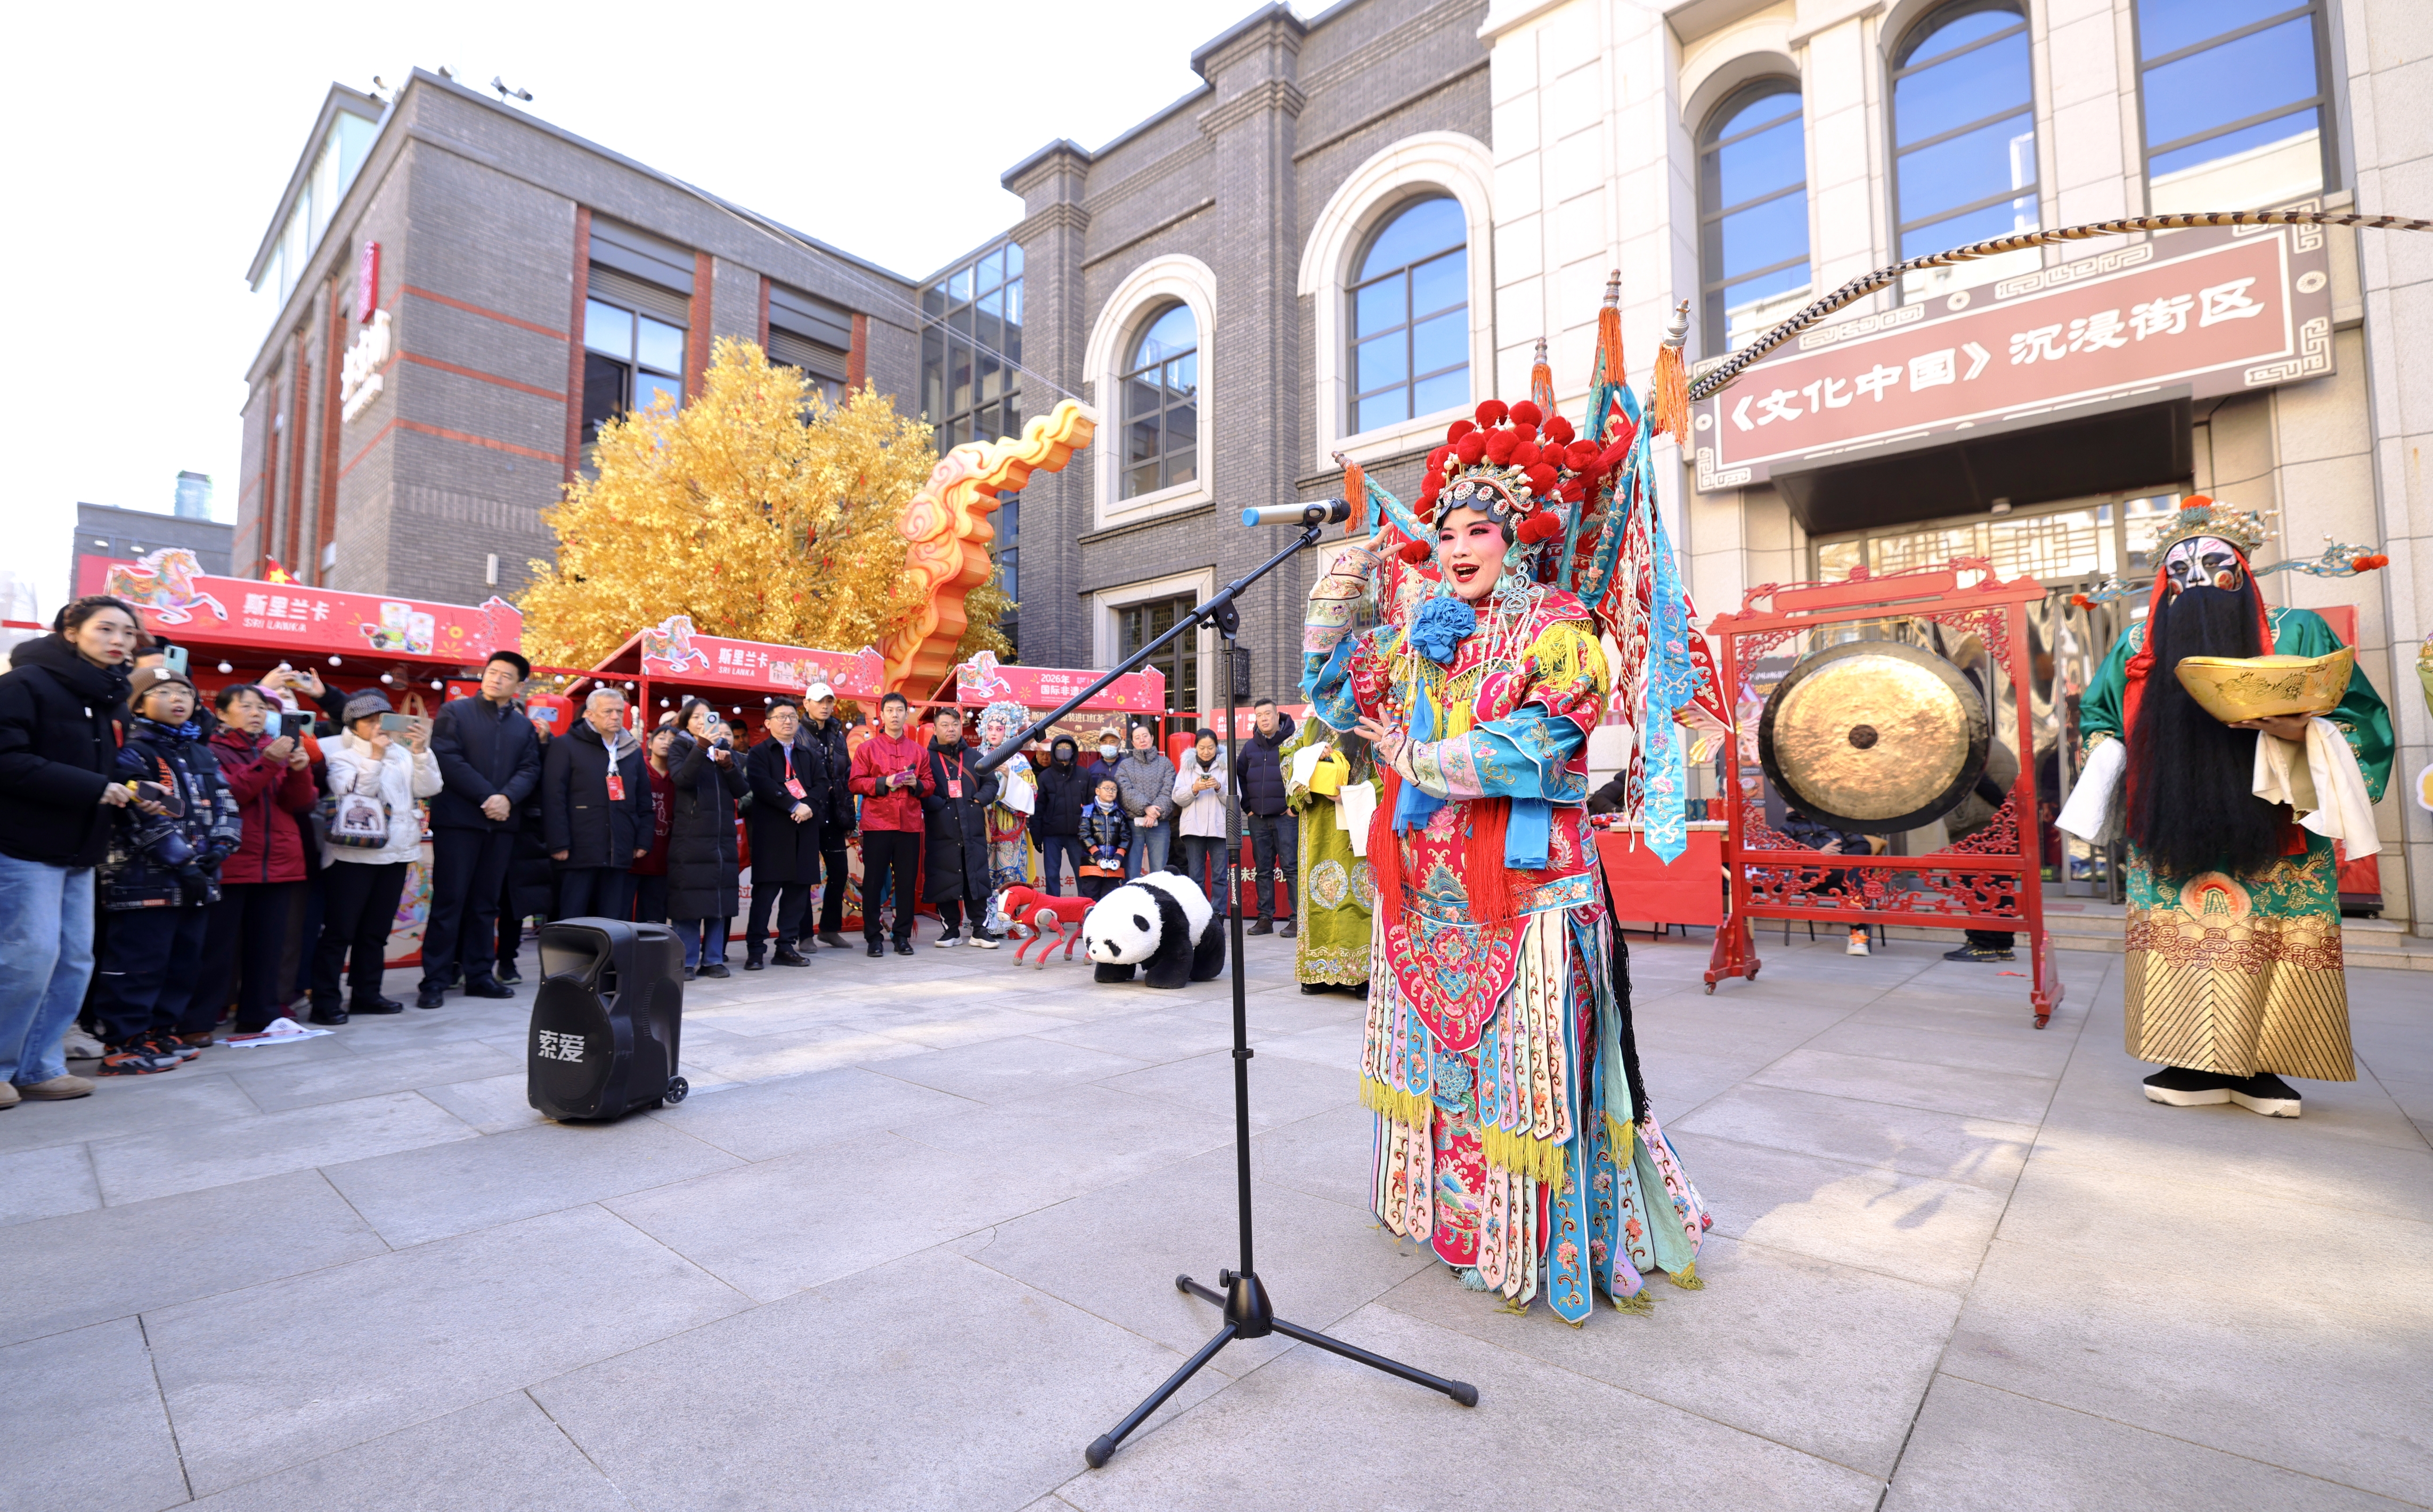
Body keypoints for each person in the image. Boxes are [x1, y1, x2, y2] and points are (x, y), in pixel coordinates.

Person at [1304, 390, 1710, 1317]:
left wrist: (1430, 759)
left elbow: (1547, 738)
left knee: (1530, 1073)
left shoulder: (1560, 626)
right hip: (1424, 890)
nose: (1456, 546)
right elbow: (1336, 700)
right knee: (1446, 1075)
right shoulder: (1423, 634)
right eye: (1445, 530)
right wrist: (1341, 588)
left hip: (1527, 890)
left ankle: (1537, 1241)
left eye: (1478, 529)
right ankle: (1454, 1220)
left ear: (1515, 538)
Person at [2077, 500, 2392, 1117]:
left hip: (2278, 815)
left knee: (2273, 937)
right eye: (2182, 571)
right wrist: (2106, 755)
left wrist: (2308, 732)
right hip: (2171, 817)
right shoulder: (2138, 644)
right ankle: (2188, 1058)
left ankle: (2262, 1065)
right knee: (2183, 938)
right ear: (2165, 581)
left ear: (2243, 572)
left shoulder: (2296, 629)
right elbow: (2100, 716)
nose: (2200, 582)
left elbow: (2358, 717)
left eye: (2216, 568)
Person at [1, 597, 140, 1105]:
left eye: (128, 632)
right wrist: (92, 787)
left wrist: (132, 789)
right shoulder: (25, 683)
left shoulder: (107, 697)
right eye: (106, 628)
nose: (119, 640)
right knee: (27, 957)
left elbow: (103, 770)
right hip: (23, 846)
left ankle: (39, 1065)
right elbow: (7, 759)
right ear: (70, 630)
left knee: (74, 961)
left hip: (80, 849)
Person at [89, 666, 241, 1074]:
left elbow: (227, 804)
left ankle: (160, 1031)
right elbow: (139, 816)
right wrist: (184, 860)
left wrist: (222, 846)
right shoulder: (132, 752)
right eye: (164, 691)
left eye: (185, 692)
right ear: (138, 703)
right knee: (139, 961)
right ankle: (123, 1041)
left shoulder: (201, 751)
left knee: (183, 961)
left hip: (197, 881)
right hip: (143, 881)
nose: (178, 699)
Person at [419, 651, 541, 1008]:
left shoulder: (524, 726)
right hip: (459, 821)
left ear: (519, 685)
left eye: (506, 675)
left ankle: (480, 974)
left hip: (502, 826)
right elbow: (447, 757)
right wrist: (489, 795)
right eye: (492, 672)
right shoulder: (455, 712)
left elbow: (530, 769)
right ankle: (436, 979)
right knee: (449, 900)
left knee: (486, 904)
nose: (496, 678)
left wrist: (507, 798)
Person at [313, 691, 442, 1021]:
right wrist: (374, 755)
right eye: (368, 721)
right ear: (353, 726)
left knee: (375, 932)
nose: (377, 726)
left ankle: (367, 995)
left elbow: (430, 788)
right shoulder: (338, 753)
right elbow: (355, 795)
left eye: (381, 720)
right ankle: (325, 1002)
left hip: (398, 853)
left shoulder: (403, 752)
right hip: (352, 856)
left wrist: (422, 752)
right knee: (339, 932)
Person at [201, 683, 321, 1031]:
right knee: (218, 946)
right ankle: (205, 1013)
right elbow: (233, 792)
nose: (257, 713)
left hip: (279, 860)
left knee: (270, 945)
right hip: (233, 859)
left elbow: (300, 804)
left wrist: (299, 768)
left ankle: (261, 1011)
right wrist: (269, 762)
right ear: (222, 713)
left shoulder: (276, 748)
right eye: (247, 706)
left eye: (262, 708)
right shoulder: (210, 750)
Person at [543, 688, 654, 925]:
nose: (615, 717)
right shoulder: (566, 745)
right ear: (590, 715)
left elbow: (644, 798)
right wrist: (559, 842)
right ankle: (569, 963)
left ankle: (607, 963)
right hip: (577, 848)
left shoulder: (631, 750)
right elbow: (554, 797)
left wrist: (643, 839)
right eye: (608, 712)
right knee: (573, 917)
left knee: (612, 920)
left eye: (619, 711)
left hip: (619, 848)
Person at [1280, 719, 1374, 994]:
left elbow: (1387, 772)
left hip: (1359, 820)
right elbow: (1286, 754)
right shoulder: (1311, 725)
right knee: (1319, 893)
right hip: (1318, 821)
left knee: (1359, 895)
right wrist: (1310, 755)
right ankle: (1317, 970)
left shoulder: (1368, 721)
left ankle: (1361, 973)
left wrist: (1349, 793)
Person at [664, 700, 748, 978]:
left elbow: (741, 789)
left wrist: (728, 765)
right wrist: (701, 746)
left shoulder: (724, 747)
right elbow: (683, 779)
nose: (703, 722)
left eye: (707, 716)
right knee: (688, 901)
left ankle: (713, 959)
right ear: (686, 722)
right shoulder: (680, 746)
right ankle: (686, 962)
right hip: (691, 836)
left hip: (721, 837)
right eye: (696, 717)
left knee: (719, 901)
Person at [848, 691, 933, 956]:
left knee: (907, 883)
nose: (895, 715)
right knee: (873, 882)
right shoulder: (867, 749)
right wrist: (883, 782)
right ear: (881, 716)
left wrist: (916, 784)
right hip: (877, 824)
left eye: (900, 710)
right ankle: (873, 936)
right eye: (890, 711)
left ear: (907, 714)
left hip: (909, 825)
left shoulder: (919, 752)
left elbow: (930, 785)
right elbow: (854, 783)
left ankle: (902, 936)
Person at [742, 698, 824, 968]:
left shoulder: (808, 754)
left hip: (805, 830)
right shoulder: (759, 753)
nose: (787, 721)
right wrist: (793, 804)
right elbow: (762, 785)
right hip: (773, 834)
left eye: (792, 716)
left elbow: (823, 784)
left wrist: (808, 806)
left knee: (798, 893)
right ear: (768, 723)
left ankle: (786, 947)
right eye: (780, 717)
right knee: (765, 895)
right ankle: (756, 949)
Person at [918, 705, 1001, 946]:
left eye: (955, 724)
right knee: (945, 878)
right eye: (945, 725)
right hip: (942, 829)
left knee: (975, 878)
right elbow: (921, 788)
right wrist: (936, 804)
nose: (951, 729)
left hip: (972, 829)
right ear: (935, 729)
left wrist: (979, 800)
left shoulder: (975, 757)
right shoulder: (927, 758)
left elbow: (991, 784)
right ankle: (950, 930)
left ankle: (979, 930)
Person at [1776, 806, 1887, 957]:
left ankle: (1857, 933)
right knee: (1856, 875)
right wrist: (1818, 854)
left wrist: (1839, 857)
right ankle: (1858, 928)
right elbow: (1781, 854)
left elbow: (1863, 846)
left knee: (1856, 873)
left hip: (1842, 875)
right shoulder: (1789, 828)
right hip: (1811, 878)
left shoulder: (1836, 823)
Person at [1236, 698, 1299, 936]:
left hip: (1286, 818)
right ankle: (1265, 919)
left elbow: (1304, 774)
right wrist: (1247, 807)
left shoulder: (1293, 743)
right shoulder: (1250, 747)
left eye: (1268, 714)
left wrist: (1294, 807)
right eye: (1259, 715)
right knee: (1263, 869)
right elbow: (1239, 777)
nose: (1263, 719)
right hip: (1258, 819)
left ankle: (1296, 919)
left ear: (1277, 716)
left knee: (1291, 867)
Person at [800, 684, 857, 950]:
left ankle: (829, 929)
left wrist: (849, 817)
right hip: (808, 815)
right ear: (806, 704)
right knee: (805, 876)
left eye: (829, 702)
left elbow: (846, 778)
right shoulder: (797, 734)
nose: (825, 706)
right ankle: (804, 935)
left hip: (834, 816)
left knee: (839, 873)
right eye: (819, 701)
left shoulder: (837, 733)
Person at [975, 701, 1037, 935]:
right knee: (985, 874)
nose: (993, 733)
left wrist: (1010, 776)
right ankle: (987, 919)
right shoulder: (978, 757)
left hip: (1010, 827)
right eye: (989, 728)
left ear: (1008, 732)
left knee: (1010, 874)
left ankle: (1012, 920)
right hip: (984, 825)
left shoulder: (1019, 761)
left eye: (999, 729)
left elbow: (1032, 794)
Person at [1171, 729, 1231, 916]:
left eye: (1211, 748)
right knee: (1196, 876)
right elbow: (1177, 797)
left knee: (1220, 876)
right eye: (1202, 747)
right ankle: (1201, 915)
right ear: (1195, 747)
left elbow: (1235, 798)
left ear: (1217, 747)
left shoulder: (1226, 766)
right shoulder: (1187, 767)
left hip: (1219, 828)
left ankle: (1218, 915)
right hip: (1193, 829)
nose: (1206, 752)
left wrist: (1219, 787)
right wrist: (1194, 789)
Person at [1113, 721, 1175, 878]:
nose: (1142, 740)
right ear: (1133, 742)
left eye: (1145, 736)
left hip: (1160, 824)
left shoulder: (1166, 764)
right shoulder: (1125, 766)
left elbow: (1169, 791)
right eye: (1138, 738)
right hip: (1132, 825)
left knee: (1159, 872)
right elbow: (1125, 792)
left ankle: (1157, 902)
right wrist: (1146, 807)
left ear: (1152, 738)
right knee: (1131, 871)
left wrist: (1153, 813)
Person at [1031, 734, 1088, 896]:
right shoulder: (1045, 777)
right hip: (1052, 835)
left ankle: (1084, 912)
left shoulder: (1084, 775)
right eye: (1060, 748)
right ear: (1054, 751)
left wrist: (1091, 834)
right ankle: (1054, 914)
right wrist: (1037, 836)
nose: (1063, 751)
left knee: (1082, 874)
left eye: (1067, 748)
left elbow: (1092, 807)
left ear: (1074, 751)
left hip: (1078, 835)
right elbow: (1038, 808)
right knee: (1051, 875)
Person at [631, 725, 678, 923]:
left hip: (663, 858)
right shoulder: (637, 769)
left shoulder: (680, 777)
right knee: (623, 913)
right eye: (662, 738)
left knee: (654, 915)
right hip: (633, 855)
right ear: (650, 744)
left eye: (672, 740)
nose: (667, 742)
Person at [1076, 774, 1134, 902]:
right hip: (1091, 864)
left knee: (1111, 900)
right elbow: (1084, 835)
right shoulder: (1088, 811)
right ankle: (1086, 922)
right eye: (1107, 788)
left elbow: (1126, 837)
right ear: (1097, 791)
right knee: (1089, 898)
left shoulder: (1120, 813)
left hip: (1114, 866)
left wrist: (1118, 858)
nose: (1111, 791)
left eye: (1114, 789)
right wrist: (1097, 856)